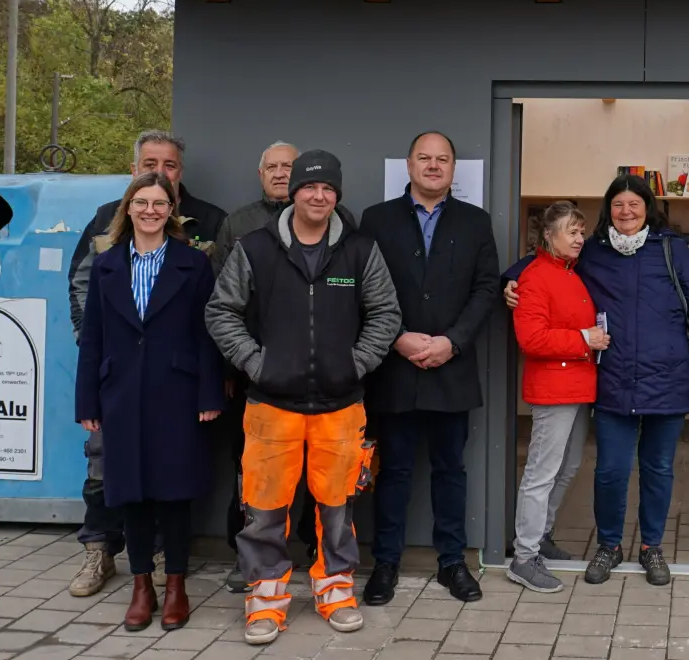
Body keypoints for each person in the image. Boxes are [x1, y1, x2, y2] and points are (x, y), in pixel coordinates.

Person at [206, 149, 402, 647]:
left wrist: (356, 363)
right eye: (310, 187)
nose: (319, 196)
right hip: (271, 405)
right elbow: (221, 311)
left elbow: (386, 313)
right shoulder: (256, 247)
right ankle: (265, 601)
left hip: (341, 406)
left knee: (337, 508)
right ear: (293, 192)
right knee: (265, 508)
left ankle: (335, 591)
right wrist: (256, 364)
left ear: (337, 196)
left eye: (328, 189)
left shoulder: (359, 250)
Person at [502, 175, 689, 587]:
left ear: (648, 207)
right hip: (613, 379)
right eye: (618, 204)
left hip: (669, 378)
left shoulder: (673, 249)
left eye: (634, 204)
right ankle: (608, 545)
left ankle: (651, 547)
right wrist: (508, 281)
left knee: (658, 469)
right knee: (610, 471)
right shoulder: (593, 249)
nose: (626, 211)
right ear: (609, 209)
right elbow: (543, 261)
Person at [67, 130, 227, 599]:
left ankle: (171, 577)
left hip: (174, 389)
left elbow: (207, 331)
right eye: (142, 202)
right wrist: (90, 394)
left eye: (160, 202)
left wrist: (210, 391)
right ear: (129, 202)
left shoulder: (196, 254)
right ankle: (124, 571)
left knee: (173, 485)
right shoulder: (106, 257)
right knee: (120, 483)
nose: (151, 210)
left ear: (171, 206)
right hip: (119, 389)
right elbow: (91, 327)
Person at [359, 131, 499, 606]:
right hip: (394, 368)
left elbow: (486, 290)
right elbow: (363, 287)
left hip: (450, 369)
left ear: (453, 169)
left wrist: (452, 343)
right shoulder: (376, 220)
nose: (433, 165)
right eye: (425, 158)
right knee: (393, 471)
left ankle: (452, 562)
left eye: (442, 159)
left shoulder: (475, 222)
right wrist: (396, 337)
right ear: (409, 164)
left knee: (450, 470)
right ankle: (385, 564)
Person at [209, 141, 319, 594]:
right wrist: (234, 366)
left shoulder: (335, 221)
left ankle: (317, 551)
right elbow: (218, 299)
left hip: (319, 376)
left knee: (318, 470)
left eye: (287, 166)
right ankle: (248, 557)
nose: (279, 173)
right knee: (252, 470)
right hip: (254, 374)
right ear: (260, 175)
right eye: (271, 167)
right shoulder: (238, 224)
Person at [505, 202, 603, 593]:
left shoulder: (570, 272)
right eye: (571, 232)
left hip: (579, 385)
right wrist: (584, 338)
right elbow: (531, 339)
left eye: (581, 232)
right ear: (549, 235)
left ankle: (540, 538)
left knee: (567, 467)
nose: (579, 239)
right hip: (554, 388)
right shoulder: (535, 276)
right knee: (541, 474)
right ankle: (524, 557)